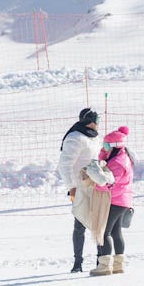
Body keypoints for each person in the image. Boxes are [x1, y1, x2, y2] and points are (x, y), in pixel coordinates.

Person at [59, 108, 102, 272]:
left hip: (95, 186)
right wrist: (71, 187)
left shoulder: (94, 138)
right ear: (91, 121)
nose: (99, 123)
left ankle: (101, 260)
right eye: (97, 119)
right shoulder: (75, 138)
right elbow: (64, 165)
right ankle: (78, 263)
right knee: (80, 225)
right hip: (80, 188)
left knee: (99, 224)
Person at [91, 126, 134, 277]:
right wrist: (104, 152)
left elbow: (108, 183)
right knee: (116, 232)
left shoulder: (117, 162)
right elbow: (104, 164)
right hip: (122, 200)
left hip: (115, 200)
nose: (104, 147)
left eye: (107, 145)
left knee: (104, 232)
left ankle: (104, 266)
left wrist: (96, 183)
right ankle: (118, 265)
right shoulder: (121, 157)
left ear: (115, 146)